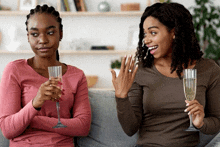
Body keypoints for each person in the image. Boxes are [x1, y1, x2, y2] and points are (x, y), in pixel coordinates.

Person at [111, 2, 220, 147]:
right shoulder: (142, 70)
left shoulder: (208, 69)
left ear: (174, 32)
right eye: (145, 34)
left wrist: (201, 123)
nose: (146, 40)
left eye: (153, 32)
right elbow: (130, 129)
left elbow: (216, 122)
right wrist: (121, 98)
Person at [0, 5, 91, 147]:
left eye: (49, 32)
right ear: (28, 37)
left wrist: (32, 120)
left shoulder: (77, 75)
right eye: (35, 34)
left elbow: (82, 127)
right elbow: (7, 129)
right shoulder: (14, 70)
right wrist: (36, 102)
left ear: (60, 34)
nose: (42, 40)